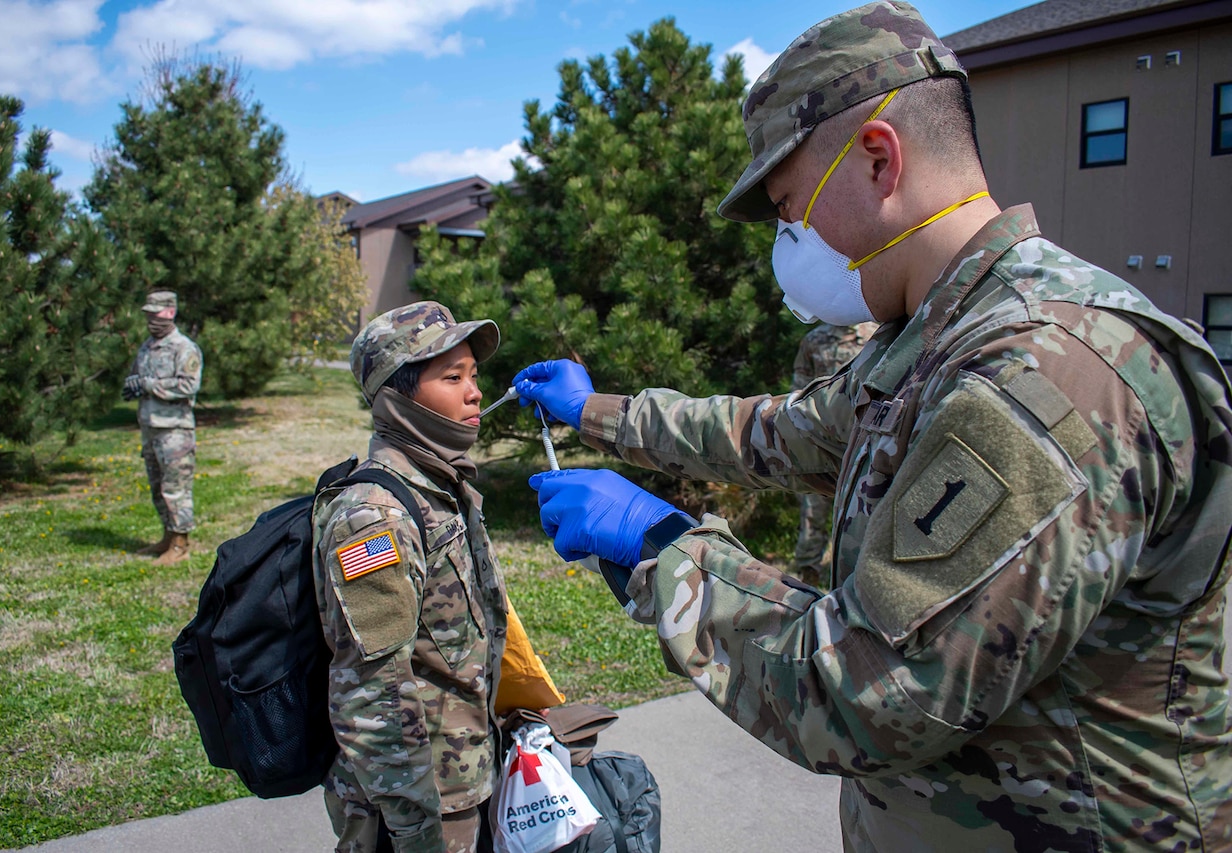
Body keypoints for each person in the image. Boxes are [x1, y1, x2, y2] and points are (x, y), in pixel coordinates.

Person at [510, 2, 1232, 850]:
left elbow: (868, 690)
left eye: (790, 209)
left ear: (880, 159)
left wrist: (666, 547)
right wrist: (596, 412)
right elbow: (776, 434)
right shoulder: (937, 341)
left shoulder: (1044, 370)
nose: (791, 241)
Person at [313, 300, 507, 853]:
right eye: (452, 377)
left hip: (461, 777)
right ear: (398, 398)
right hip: (417, 803)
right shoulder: (376, 516)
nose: (474, 392)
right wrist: (416, 828)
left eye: (474, 375)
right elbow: (369, 691)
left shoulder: (439, 482)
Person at [790, 321, 877, 584]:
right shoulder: (814, 340)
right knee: (813, 514)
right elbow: (799, 392)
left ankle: (856, 585)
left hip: (866, 444)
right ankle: (807, 578)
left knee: (865, 516)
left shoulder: (876, 335)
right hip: (823, 444)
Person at [123, 290, 203, 566]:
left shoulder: (184, 348)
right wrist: (133, 385)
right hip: (150, 427)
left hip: (175, 431)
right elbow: (139, 375)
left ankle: (181, 544)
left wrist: (149, 385)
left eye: (155, 313)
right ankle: (167, 537)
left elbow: (188, 385)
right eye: (148, 314)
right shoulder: (147, 347)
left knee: (175, 487)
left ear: (169, 312)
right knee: (157, 487)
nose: (150, 320)